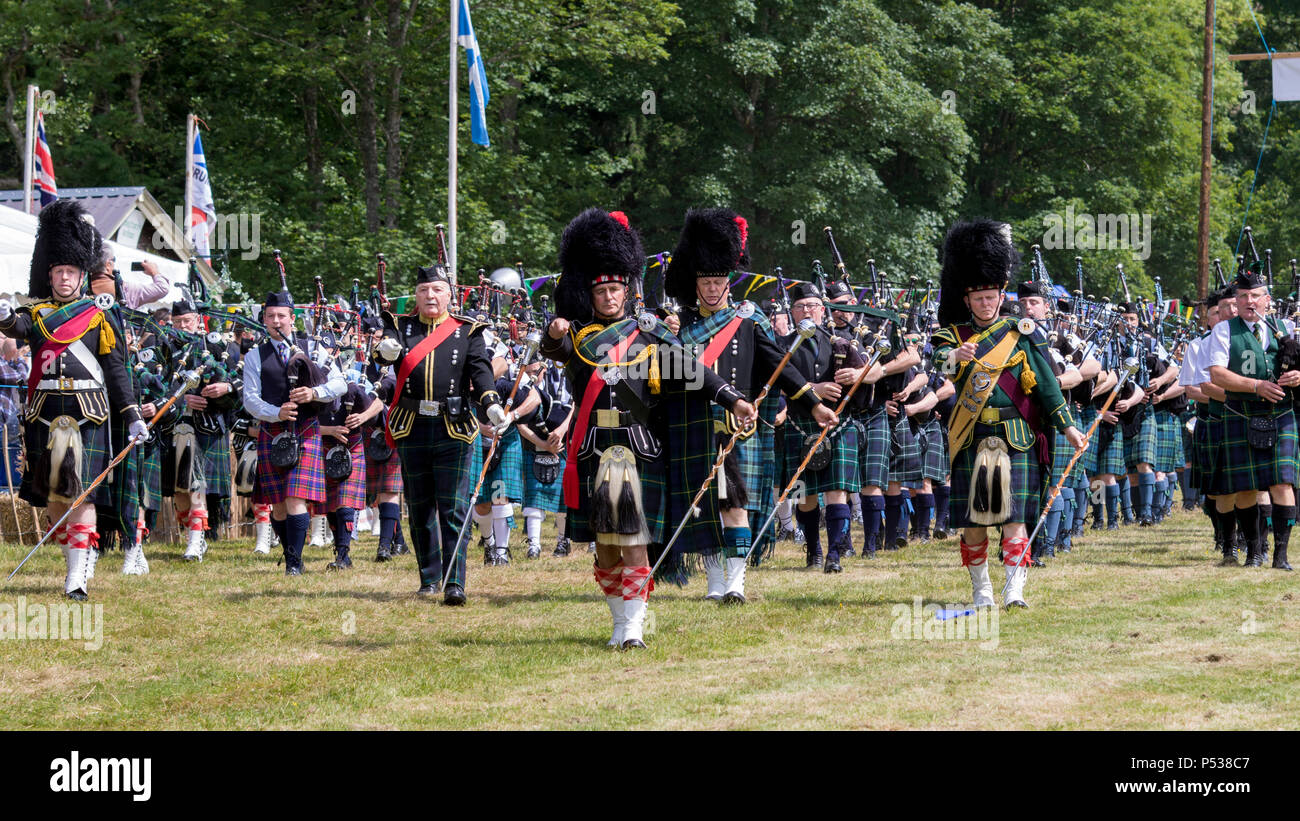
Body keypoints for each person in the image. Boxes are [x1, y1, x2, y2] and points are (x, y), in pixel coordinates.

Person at [540, 207, 754, 649]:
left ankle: (632, 627)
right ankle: (618, 619)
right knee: (606, 544)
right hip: (594, 450)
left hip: (640, 449)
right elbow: (555, 348)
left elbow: (693, 371)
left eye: (617, 289)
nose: (610, 298)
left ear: (628, 291)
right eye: (602, 292)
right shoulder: (579, 338)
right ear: (591, 295)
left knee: (634, 538)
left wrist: (732, 398)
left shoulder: (648, 336)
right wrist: (553, 332)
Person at [664, 207, 835, 602]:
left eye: (718, 281)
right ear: (695, 283)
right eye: (705, 281)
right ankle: (713, 585)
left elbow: (778, 365)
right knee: (704, 505)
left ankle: (736, 584)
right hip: (696, 425)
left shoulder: (747, 318)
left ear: (729, 280)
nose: (711, 288)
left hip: (740, 425)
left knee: (734, 501)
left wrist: (811, 403)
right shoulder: (681, 328)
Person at [930, 219, 1086, 609]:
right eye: (979, 297)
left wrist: (1066, 427)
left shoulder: (1022, 331)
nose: (987, 303)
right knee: (974, 523)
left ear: (1002, 295)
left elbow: (1047, 384)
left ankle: (1013, 589)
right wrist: (954, 358)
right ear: (967, 299)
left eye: (992, 296)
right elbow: (938, 364)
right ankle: (981, 591)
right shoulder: (953, 337)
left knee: (1015, 517)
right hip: (972, 435)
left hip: (1017, 437)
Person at [0, 200, 148, 600]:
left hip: (89, 413)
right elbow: (17, 326)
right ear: (49, 275)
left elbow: (116, 371)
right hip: (44, 413)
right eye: (58, 271)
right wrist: (2, 314)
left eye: (71, 272)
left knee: (81, 491)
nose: (64, 278)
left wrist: (132, 414)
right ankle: (75, 558)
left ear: (82, 275)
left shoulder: (99, 315)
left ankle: (76, 577)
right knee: (53, 494)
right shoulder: (38, 312)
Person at [374, 264, 508, 605]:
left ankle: (454, 582)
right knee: (420, 507)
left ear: (450, 294)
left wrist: (491, 404)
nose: (430, 296)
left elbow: (480, 372)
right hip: (411, 424)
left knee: (454, 508)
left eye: (437, 290)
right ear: (416, 296)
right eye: (423, 291)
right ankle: (429, 578)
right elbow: (382, 352)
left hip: (454, 426)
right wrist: (384, 353)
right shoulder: (400, 327)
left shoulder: (468, 330)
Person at [241, 288, 348, 576]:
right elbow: (250, 399)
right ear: (264, 320)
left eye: (282, 316)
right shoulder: (254, 357)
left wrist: (314, 393)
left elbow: (340, 384)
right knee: (277, 506)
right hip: (273, 430)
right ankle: (291, 553)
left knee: (295, 498)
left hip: (306, 430)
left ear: (292, 318)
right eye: (270, 316)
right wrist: (276, 412)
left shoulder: (313, 349)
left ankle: (293, 562)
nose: (276, 321)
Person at [1205, 264, 1299, 570]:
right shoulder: (1224, 330)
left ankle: (1281, 556)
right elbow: (1217, 374)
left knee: (1282, 483)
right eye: (1243, 296)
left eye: (1255, 296)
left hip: (1281, 413)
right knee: (1246, 487)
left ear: (1266, 299)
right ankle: (1253, 551)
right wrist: (1256, 385)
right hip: (1241, 412)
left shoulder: (1284, 328)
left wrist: (1297, 376)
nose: (1249, 302)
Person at [168, 296, 241, 561]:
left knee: (195, 483)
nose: (182, 326)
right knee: (180, 488)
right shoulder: (164, 348)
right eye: (177, 322)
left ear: (198, 321)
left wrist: (226, 388)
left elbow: (239, 383)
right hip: (174, 424)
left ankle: (196, 542)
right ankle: (193, 536)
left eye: (186, 320)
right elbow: (153, 385)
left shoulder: (216, 346)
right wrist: (181, 398)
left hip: (208, 426)